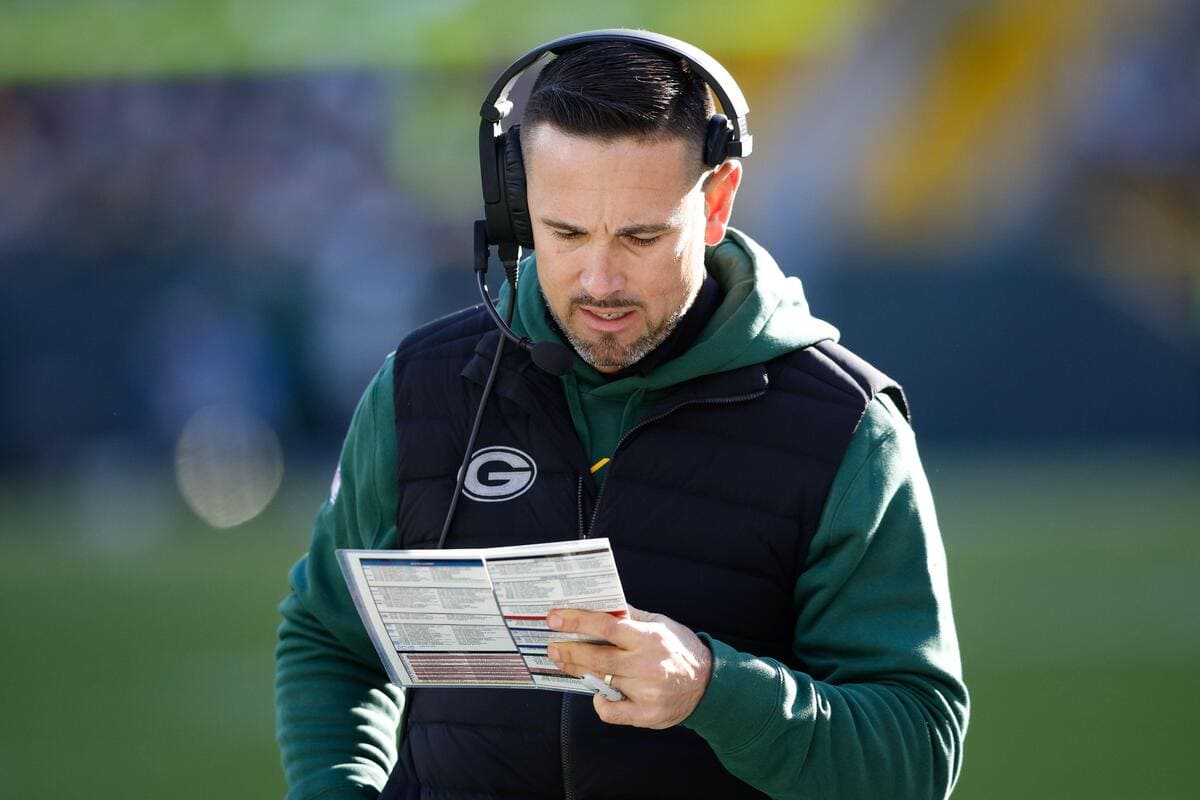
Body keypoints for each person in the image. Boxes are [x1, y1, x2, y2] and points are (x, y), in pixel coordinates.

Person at [275, 30, 968, 800]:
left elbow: (917, 755)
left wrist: (714, 689)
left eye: (640, 235)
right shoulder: (417, 388)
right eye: (565, 233)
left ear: (715, 202)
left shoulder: (849, 427)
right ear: (515, 211)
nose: (599, 279)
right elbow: (329, 639)